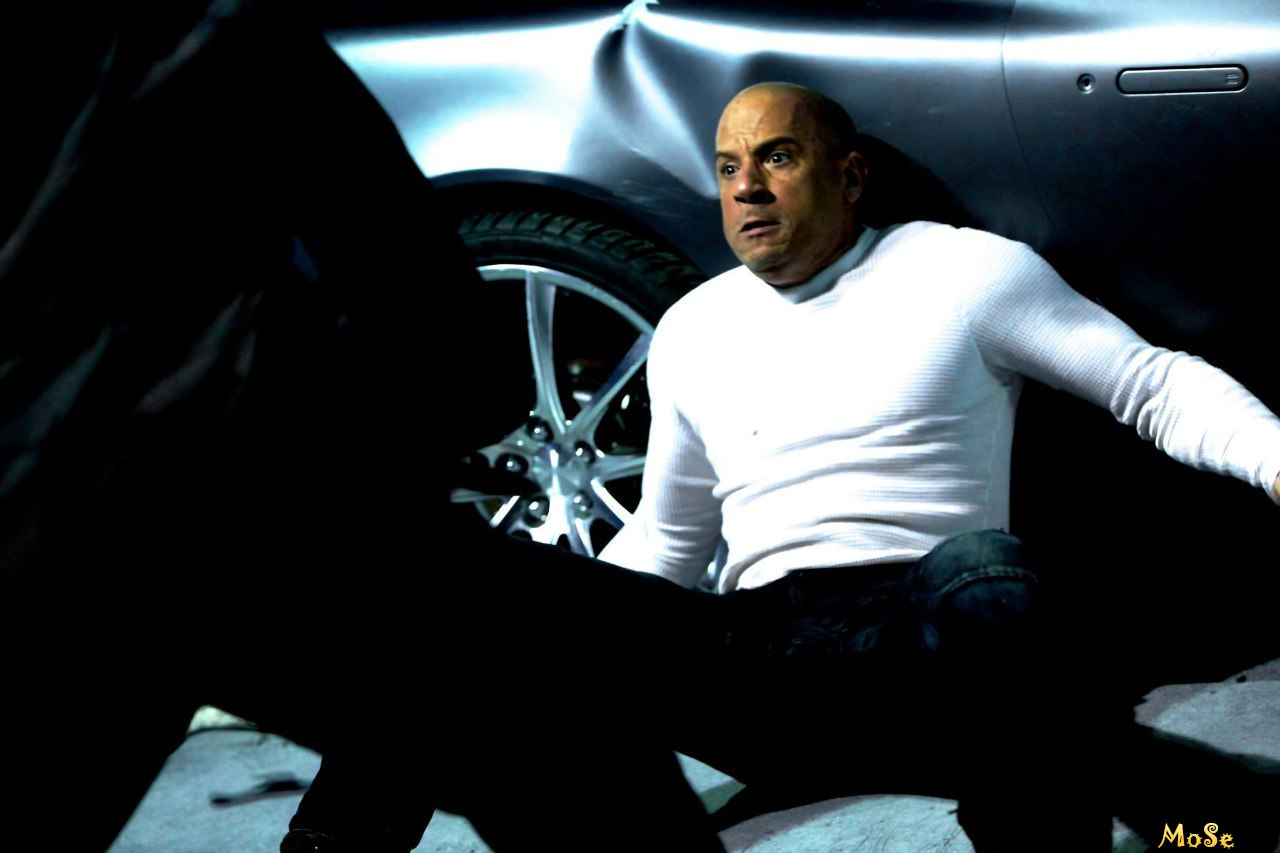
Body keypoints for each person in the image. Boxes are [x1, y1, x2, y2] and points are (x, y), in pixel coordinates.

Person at [592, 81, 1280, 850]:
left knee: (985, 567)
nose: (746, 187)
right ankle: (1194, 805)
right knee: (522, 592)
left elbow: (1148, 383)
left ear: (850, 177)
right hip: (763, 661)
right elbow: (664, 539)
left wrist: (1274, 458)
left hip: (927, 640)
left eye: (777, 158)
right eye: (727, 167)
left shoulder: (958, 271)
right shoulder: (690, 328)